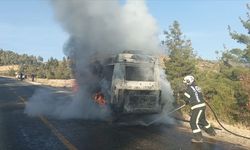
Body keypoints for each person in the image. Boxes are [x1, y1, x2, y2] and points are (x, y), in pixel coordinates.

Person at [183, 75, 216, 143]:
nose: (185, 83)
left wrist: (187, 102)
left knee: (193, 122)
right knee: (202, 120)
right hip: (202, 105)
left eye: (186, 82)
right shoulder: (197, 87)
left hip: (197, 107)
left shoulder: (188, 89)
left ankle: (198, 138)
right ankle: (212, 132)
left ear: (189, 81)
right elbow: (198, 95)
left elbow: (186, 98)